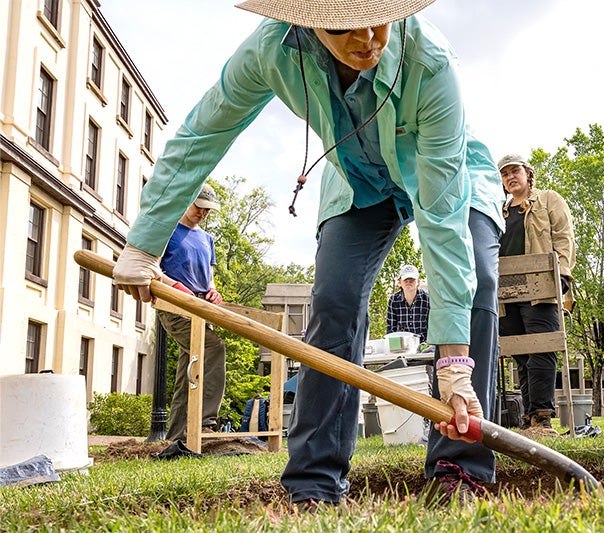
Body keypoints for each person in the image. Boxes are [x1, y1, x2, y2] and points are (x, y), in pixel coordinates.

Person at [112, 0, 504, 507]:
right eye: (344, 26)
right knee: (334, 301)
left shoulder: (430, 63)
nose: (367, 39)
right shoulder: (270, 50)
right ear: (308, 19)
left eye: (378, 18)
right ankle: (315, 481)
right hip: (357, 180)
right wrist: (145, 244)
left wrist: (452, 357)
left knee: (476, 277)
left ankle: (459, 468)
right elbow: (201, 135)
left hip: (445, 169)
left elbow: (443, 214)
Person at [496, 154, 576, 438]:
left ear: (527, 173)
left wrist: (562, 275)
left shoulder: (549, 200)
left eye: (514, 171)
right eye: (504, 174)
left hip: (541, 285)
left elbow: (564, 237)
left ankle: (542, 418)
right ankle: (528, 420)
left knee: (543, 347)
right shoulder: (499, 210)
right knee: (520, 353)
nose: (510, 177)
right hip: (506, 291)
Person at [157, 183, 226, 442]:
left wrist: (213, 290)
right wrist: (173, 285)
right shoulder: (167, 231)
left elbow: (209, 277)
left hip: (200, 307)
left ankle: (175, 438)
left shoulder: (207, 239)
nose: (203, 214)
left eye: (208, 210)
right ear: (187, 200)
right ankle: (206, 423)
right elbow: (152, 268)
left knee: (189, 369)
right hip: (174, 305)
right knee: (213, 349)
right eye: (200, 207)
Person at [386, 264, 430, 343]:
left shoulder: (427, 298)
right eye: (405, 279)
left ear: (418, 281)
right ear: (400, 282)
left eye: (412, 279)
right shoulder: (393, 300)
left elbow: (433, 325)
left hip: (425, 344)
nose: (408, 282)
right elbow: (391, 328)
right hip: (401, 344)